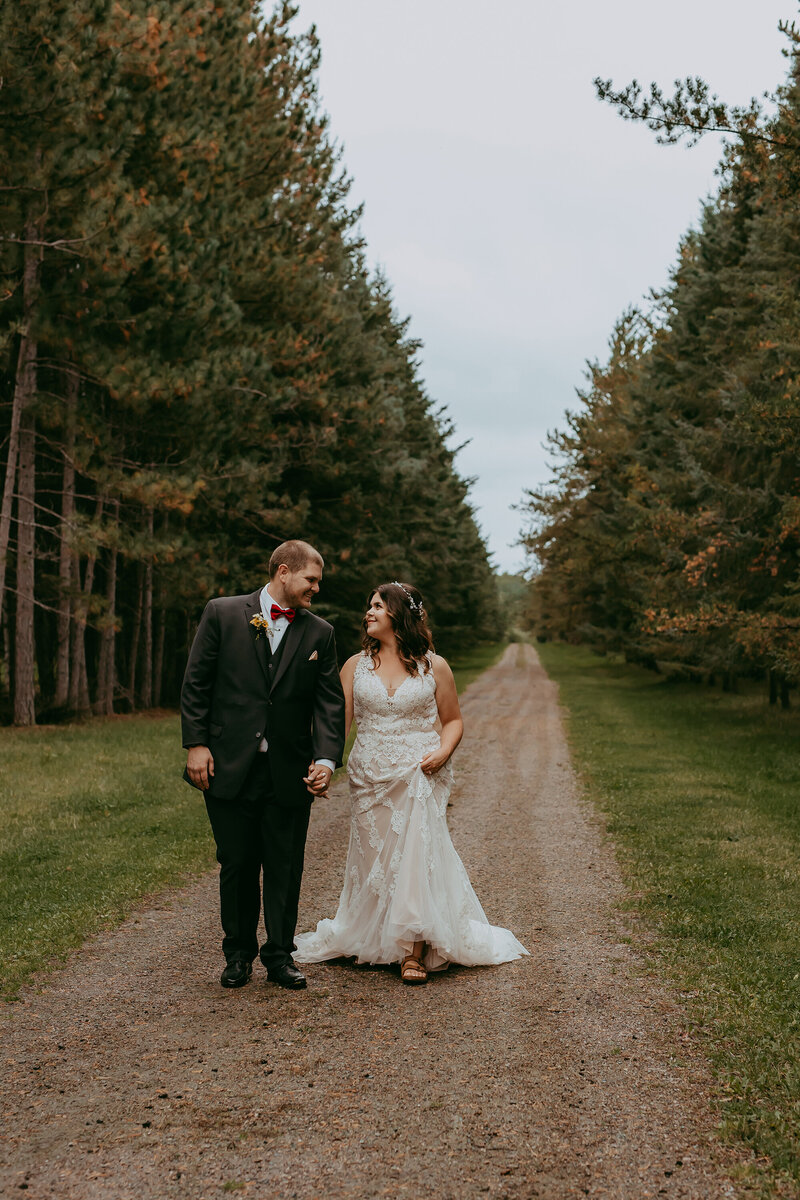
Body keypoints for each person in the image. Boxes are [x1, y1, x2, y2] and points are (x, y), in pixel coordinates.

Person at [294, 581, 528, 984]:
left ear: (399, 615)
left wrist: (442, 751)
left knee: (416, 855)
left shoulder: (434, 666)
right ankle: (379, 931)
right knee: (378, 862)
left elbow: (453, 721)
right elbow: (339, 725)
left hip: (419, 771)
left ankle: (413, 951)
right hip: (369, 776)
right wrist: (325, 763)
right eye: (368, 605)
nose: (368, 612)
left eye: (378, 606)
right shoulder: (354, 666)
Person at [180, 540, 346, 991]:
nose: (316, 588)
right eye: (311, 579)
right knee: (236, 863)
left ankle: (279, 956)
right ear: (284, 572)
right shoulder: (222, 613)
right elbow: (196, 683)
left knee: (284, 865)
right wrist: (196, 744)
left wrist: (327, 760)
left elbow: (329, 704)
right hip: (228, 766)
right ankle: (237, 956)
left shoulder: (320, 633)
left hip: (288, 771)